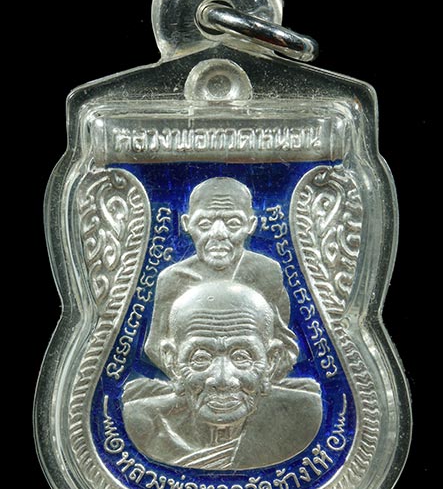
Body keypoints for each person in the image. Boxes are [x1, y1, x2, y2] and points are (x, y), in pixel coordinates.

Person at [122, 282, 322, 470]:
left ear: (271, 360)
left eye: (241, 357)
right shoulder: (142, 425)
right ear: (172, 361)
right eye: (200, 358)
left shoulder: (304, 416)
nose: (222, 380)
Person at [144, 177, 292, 377]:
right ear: (187, 224)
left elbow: (282, 343)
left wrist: (254, 380)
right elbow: (155, 346)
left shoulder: (266, 271)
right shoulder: (173, 278)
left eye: (233, 223)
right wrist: (188, 380)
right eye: (204, 223)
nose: (218, 233)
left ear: (251, 225)